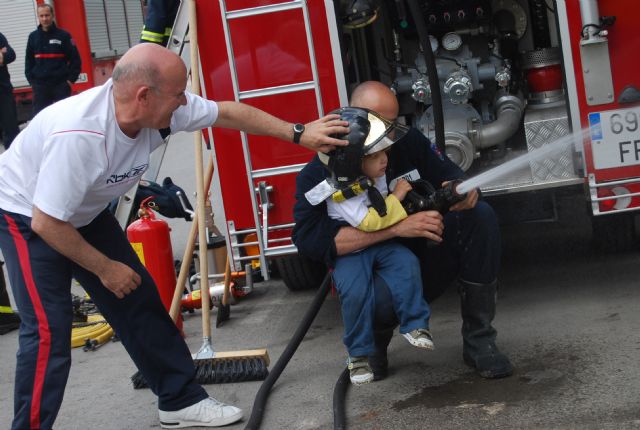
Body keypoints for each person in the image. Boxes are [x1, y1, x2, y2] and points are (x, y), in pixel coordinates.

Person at [0, 42, 348, 430]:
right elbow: (47, 223)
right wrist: (104, 268)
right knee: (50, 329)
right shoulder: (80, 136)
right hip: (26, 213)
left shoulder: (162, 111)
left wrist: (299, 133)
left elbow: (227, 112)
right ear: (144, 96)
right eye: (178, 93)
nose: (185, 102)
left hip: (83, 211)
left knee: (139, 300)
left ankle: (180, 400)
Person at [293, 80, 513, 381]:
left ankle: (480, 340)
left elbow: (449, 175)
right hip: (369, 273)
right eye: (379, 122)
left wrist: (458, 189)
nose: (388, 134)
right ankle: (374, 343)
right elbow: (309, 240)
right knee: (372, 294)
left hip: (417, 260)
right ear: (354, 119)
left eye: (393, 121)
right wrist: (397, 228)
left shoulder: (407, 142)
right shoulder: (321, 171)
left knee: (479, 216)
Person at [320, 107, 434, 385]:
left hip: (380, 245)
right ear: (353, 162)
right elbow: (370, 223)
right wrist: (397, 195)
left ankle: (415, 325)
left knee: (407, 263)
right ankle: (358, 356)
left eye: (385, 153)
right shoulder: (340, 191)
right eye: (376, 156)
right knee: (356, 293)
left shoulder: (373, 175)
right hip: (353, 253)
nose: (386, 160)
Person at [25, 3, 81, 116]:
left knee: (64, 117)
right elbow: (28, 61)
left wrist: (70, 81)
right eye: (41, 16)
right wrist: (32, 82)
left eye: (47, 15)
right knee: (40, 118)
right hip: (40, 86)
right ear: (38, 17)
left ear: (52, 15)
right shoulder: (33, 37)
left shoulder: (64, 36)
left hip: (60, 85)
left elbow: (76, 60)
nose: (44, 19)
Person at [0, 31, 20, 150]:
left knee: (11, 130)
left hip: (3, 90)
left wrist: (3, 57)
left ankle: (14, 162)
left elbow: (11, 54)